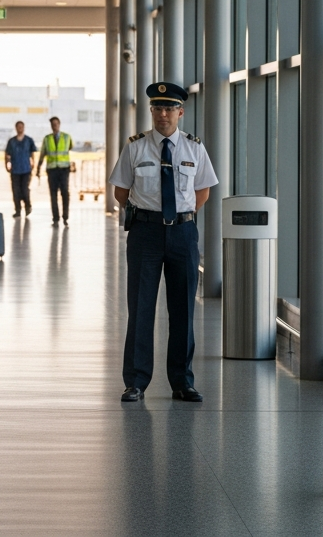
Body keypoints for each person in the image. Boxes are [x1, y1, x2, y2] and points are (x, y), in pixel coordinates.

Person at [109, 83, 217, 404]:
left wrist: (179, 216)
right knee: (140, 308)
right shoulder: (135, 147)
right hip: (145, 233)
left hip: (183, 233)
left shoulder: (194, 148)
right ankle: (136, 381)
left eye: (170, 108)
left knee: (183, 308)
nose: (163, 114)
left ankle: (182, 382)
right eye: (158, 108)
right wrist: (151, 216)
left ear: (181, 112)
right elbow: (121, 191)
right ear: (151, 111)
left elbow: (203, 192)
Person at [36, 116, 74, 226]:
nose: (55, 126)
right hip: (52, 170)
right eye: (53, 124)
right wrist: (38, 167)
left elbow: (70, 147)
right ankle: (55, 218)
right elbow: (42, 153)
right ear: (51, 126)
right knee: (53, 194)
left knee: (65, 193)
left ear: (59, 124)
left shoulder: (67, 137)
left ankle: (65, 216)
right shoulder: (47, 139)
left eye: (56, 124)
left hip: (64, 169)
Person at [5, 121, 37, 218]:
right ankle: (17, 209)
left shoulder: (28, 140)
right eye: (18, 127)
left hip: (26, 169)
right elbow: (7, 154)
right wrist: (7, 164)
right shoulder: (12, 141)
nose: (20, 128)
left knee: (25, 189)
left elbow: (32, 153)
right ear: (15, 128)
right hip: (15, 170)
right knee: (16, 190)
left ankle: (28, 206)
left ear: (24, 128)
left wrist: (33, 163)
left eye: (21, 127)